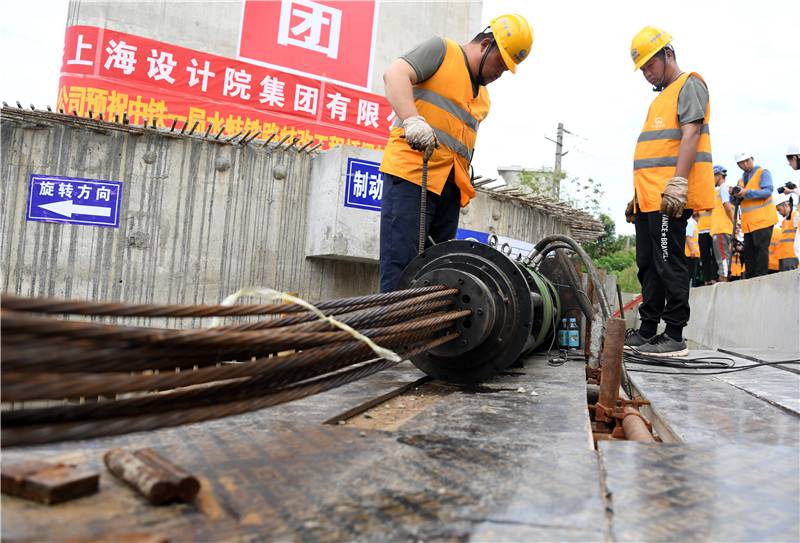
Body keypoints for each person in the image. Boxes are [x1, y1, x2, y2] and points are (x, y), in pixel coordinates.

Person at [378, 15, 533, 292]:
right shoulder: (442, 51)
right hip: (413, 178)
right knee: (402, 268)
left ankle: (423, 333)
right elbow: (395, 74)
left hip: (449, 188)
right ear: (486, 44)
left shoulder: (483, 97)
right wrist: (412, 120)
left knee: (438, 274)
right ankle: (391, 335)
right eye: (501, 63)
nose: (501, 73)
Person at [623, 26, 714, 357]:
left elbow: (690, 134)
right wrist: (637, 195)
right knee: (648, 263)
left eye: (651, 64)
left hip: (669, 197)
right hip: (649, 198)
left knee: (668, 260)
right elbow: (655, 151)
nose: (647, 73)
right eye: (643, 68)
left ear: (668, 54)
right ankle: (649, 331)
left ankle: (674, 335)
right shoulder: (660, 97)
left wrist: (678, 183)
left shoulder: (689, 84)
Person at [729, 152, 776, 278]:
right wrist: (733, 195)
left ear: (752, 159)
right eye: (741, 163)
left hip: (763, 220)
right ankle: (750, 278)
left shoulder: (763, 172)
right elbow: (736, 201)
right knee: (749, 253)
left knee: (761, 250)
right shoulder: (741, 180)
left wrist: (747, 192)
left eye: (746, 161)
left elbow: (767, 191)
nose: (744, 164)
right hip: (749, 224)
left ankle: (761, 277)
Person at [709, 165, 734, 281]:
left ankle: (724, 279)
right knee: (725, 257)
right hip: (725, 228)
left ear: (718, 176)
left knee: (722, 258)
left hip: (721, 229)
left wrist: (735, 223)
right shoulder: (725, 189)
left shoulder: (723, 188)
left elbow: (728, 207)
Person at [775, 193, 799, 271]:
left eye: (779, 209)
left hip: (791, 255)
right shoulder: (784, 222)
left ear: (786, 205)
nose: (779, 212)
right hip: (783, 256)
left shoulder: (796, 215)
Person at [696, 206, 716, 284]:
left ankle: (714, 278)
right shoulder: (700, 199)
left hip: (713, 229)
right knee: (704, 256)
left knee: (715, 255)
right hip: (701, 230)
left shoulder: (714, 196)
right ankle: (706, 279)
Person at [685, 213, 701, 286]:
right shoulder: (691, 223)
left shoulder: (692, 223)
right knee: (690, 275)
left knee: (691, 275)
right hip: (690, 254)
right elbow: (688, 237)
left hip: (692, 253)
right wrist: (692, 250)